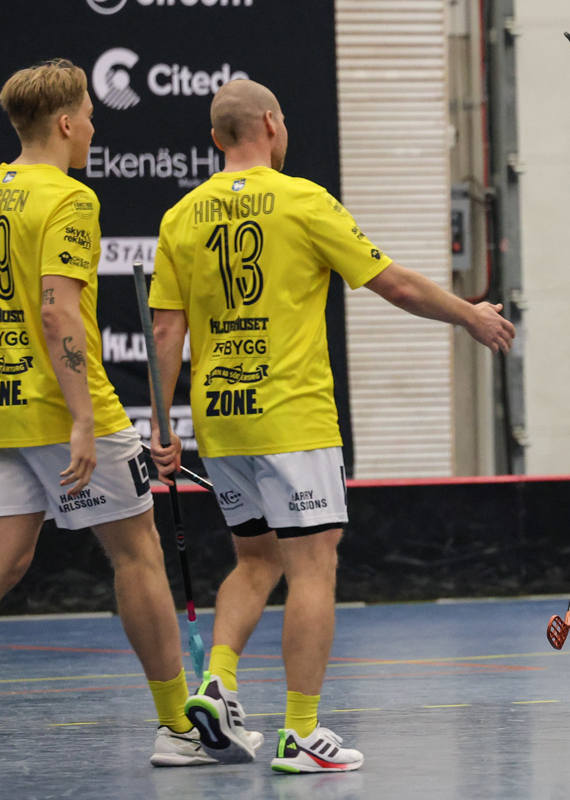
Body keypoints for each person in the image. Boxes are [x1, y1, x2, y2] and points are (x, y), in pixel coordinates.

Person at [147, 79, 514, 774]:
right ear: (270, 124)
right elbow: (393, 284)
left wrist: (165, 428)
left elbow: (167, 330)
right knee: (314, 566)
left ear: (216, 138)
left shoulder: (181, 216)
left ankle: (217, 684)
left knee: (256, 560)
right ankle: (301, 732)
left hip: (221, 420)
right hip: (293, 417)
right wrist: (468, 314)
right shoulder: (303, 200)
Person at [0, 59, 216, 779]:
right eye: (90, 117)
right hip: (60, 407)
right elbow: (56, 312)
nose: (95, 129)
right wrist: (82, 418)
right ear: (67, 122)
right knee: (137, 553)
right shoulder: (71, 199)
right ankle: (179, 728)